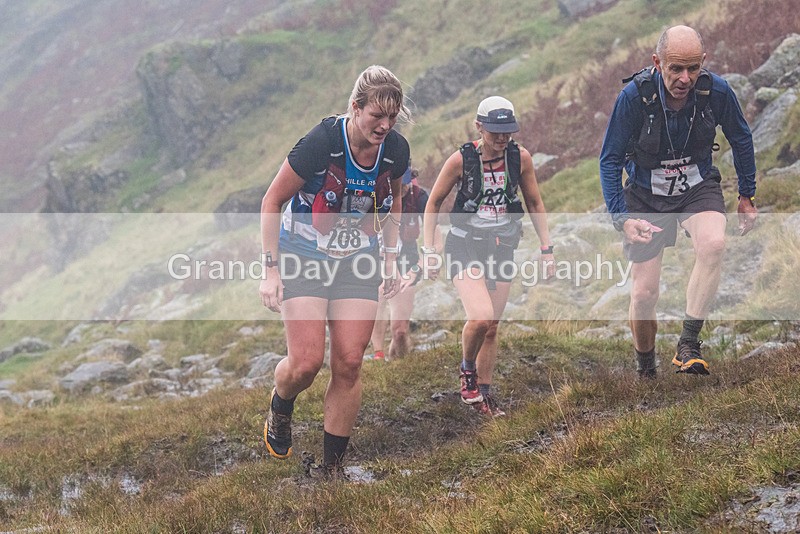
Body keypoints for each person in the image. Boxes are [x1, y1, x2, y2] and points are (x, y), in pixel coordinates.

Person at [259, 65, 411, 477]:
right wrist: (270, 270)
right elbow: (272, 201)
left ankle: (332, 470)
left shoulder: (396, 149)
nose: (384, 125)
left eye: (391, 117)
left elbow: (394, 200)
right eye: (376, 115)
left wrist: (391, 258)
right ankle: (281, 404)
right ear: (355, 107)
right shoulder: (321, 142)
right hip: (304, 254)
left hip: (358, 260)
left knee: (349, 362)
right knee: (305, 364)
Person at [599, 25, 757, 378]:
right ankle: (646, 370)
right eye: (675, 69)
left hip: (696, 187)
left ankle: (688, 343)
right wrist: (620, 218)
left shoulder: (716, 91)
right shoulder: (633, 98)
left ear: (703, 62)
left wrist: (746, 194)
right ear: (657, 63)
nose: (685, 78)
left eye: (693, 68)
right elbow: (609, 160)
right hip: (645, 195)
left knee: (714, 244)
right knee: (644, 294)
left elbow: (741, 137)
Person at [419, 96, 555, 417]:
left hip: (502, 245)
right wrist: (429, 251)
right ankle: (467, 372)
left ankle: (485, 396)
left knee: (492, 325)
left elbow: (534, 203)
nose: (501, 137)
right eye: (494, 131)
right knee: (480, 316)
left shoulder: (520, 159)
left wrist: (547, 249)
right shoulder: (460, 160)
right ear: (479, 127)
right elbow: (433, 203)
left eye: (507, 131)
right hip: (465, 244)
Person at [365, 166, 440, 361]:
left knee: (400, 331)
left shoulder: (419, 197)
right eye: (397, 185)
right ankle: (378, 354)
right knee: (380, 294)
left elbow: (437, 243)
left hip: (407, 257)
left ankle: (400, 360)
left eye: (405, 183)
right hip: (377, 254)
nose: (402, 189)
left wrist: (420, 267)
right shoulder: (373, 195)